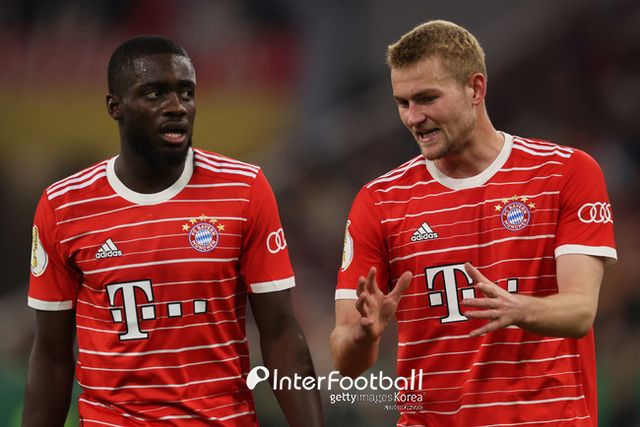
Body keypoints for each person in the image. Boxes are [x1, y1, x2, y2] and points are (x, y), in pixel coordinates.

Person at [23, 35, 323, 426]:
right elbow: (52, 354)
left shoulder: (244, 189)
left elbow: (281, 332)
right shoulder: (64, 206)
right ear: (115, 107)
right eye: (155, 94)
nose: (177, 107)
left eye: (186, 92)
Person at [330, 20, 617, 426]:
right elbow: (345, 360)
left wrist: (518, 307)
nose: (413, 118)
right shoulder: (379, 202)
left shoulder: (565, 173)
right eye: (403, 102)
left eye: (427, 99)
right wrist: (363, 334)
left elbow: (580, 310)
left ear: (476, 89)